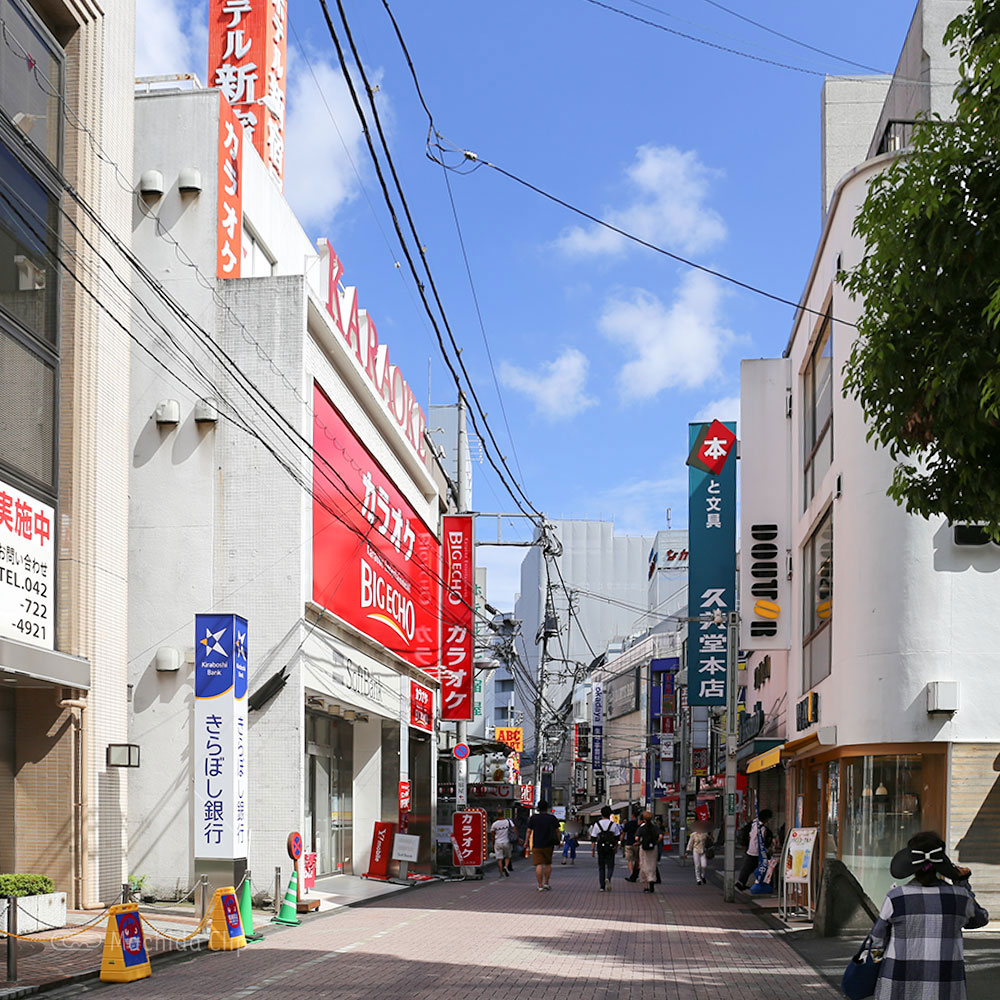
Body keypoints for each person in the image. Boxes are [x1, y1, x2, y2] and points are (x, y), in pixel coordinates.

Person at [868, 831, 988, 1000]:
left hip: (899, 981)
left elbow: (877, 940)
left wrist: (877, 957)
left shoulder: (896, 897)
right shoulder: (960, 897)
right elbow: (980, 919)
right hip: (945, 984)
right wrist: (962, 883)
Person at [524, 800, 562, 891]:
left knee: (538, 864)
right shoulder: (552, 818)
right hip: (549, 844)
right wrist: (559, 841)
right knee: (548, 863)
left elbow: (529, 831)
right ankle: (546, 883)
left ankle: (540, 885)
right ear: (547, 808)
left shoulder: (533, 818)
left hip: (537, 844)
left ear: (538, 808)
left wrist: (526, 842)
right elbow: (557, 830)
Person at [735, 809, 774, 891]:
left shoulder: (753, 824)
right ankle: (762, 884)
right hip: (758, 851)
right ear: (766, 818)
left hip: (750, 850)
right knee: (765, 867)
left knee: (747, 867)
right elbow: (763, 841)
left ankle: (741, 883)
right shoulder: (762, 828)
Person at [590, 806, 621, 891]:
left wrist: (593, 850)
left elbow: (593, 838)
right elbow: (617, 837)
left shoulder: (597, 824)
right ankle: (608, 878)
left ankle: (602, 886)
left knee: (601, 866)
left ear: (601, 814)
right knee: (610, 865)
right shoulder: (613, 824)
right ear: (610, 814)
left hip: (600, 847)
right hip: (610, 847)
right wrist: (616, 847)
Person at [637, 811, 662, 893]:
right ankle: (652, 881)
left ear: (644, 819)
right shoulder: (655, 827)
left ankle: (646, 886)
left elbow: (637, 838)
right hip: (653, 848)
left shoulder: (642, 828)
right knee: (652, 865)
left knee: (643, 865)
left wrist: (640, 841)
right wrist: (656, 842)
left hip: (643, 848)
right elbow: (660, 836)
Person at [489, 812, 518, 878]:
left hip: (498, 842)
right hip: (507, 842)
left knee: (499, 859)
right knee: (507, 856)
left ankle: (501, 873)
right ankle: (506, 866)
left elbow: (493, 835)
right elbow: (515, 830)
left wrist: (493, 844)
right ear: (503, 815)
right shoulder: (508, 822)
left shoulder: (494, 824)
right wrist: (517, 838)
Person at [622, 804, 642, 882]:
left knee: (630, 860)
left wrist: (621, 841)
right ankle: (636, 875)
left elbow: (623, 833)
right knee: (637, 860)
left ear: (632, 815)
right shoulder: (639, 824)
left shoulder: (628, 823)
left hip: (629, 844)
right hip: (637, 844)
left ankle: (632, 874)